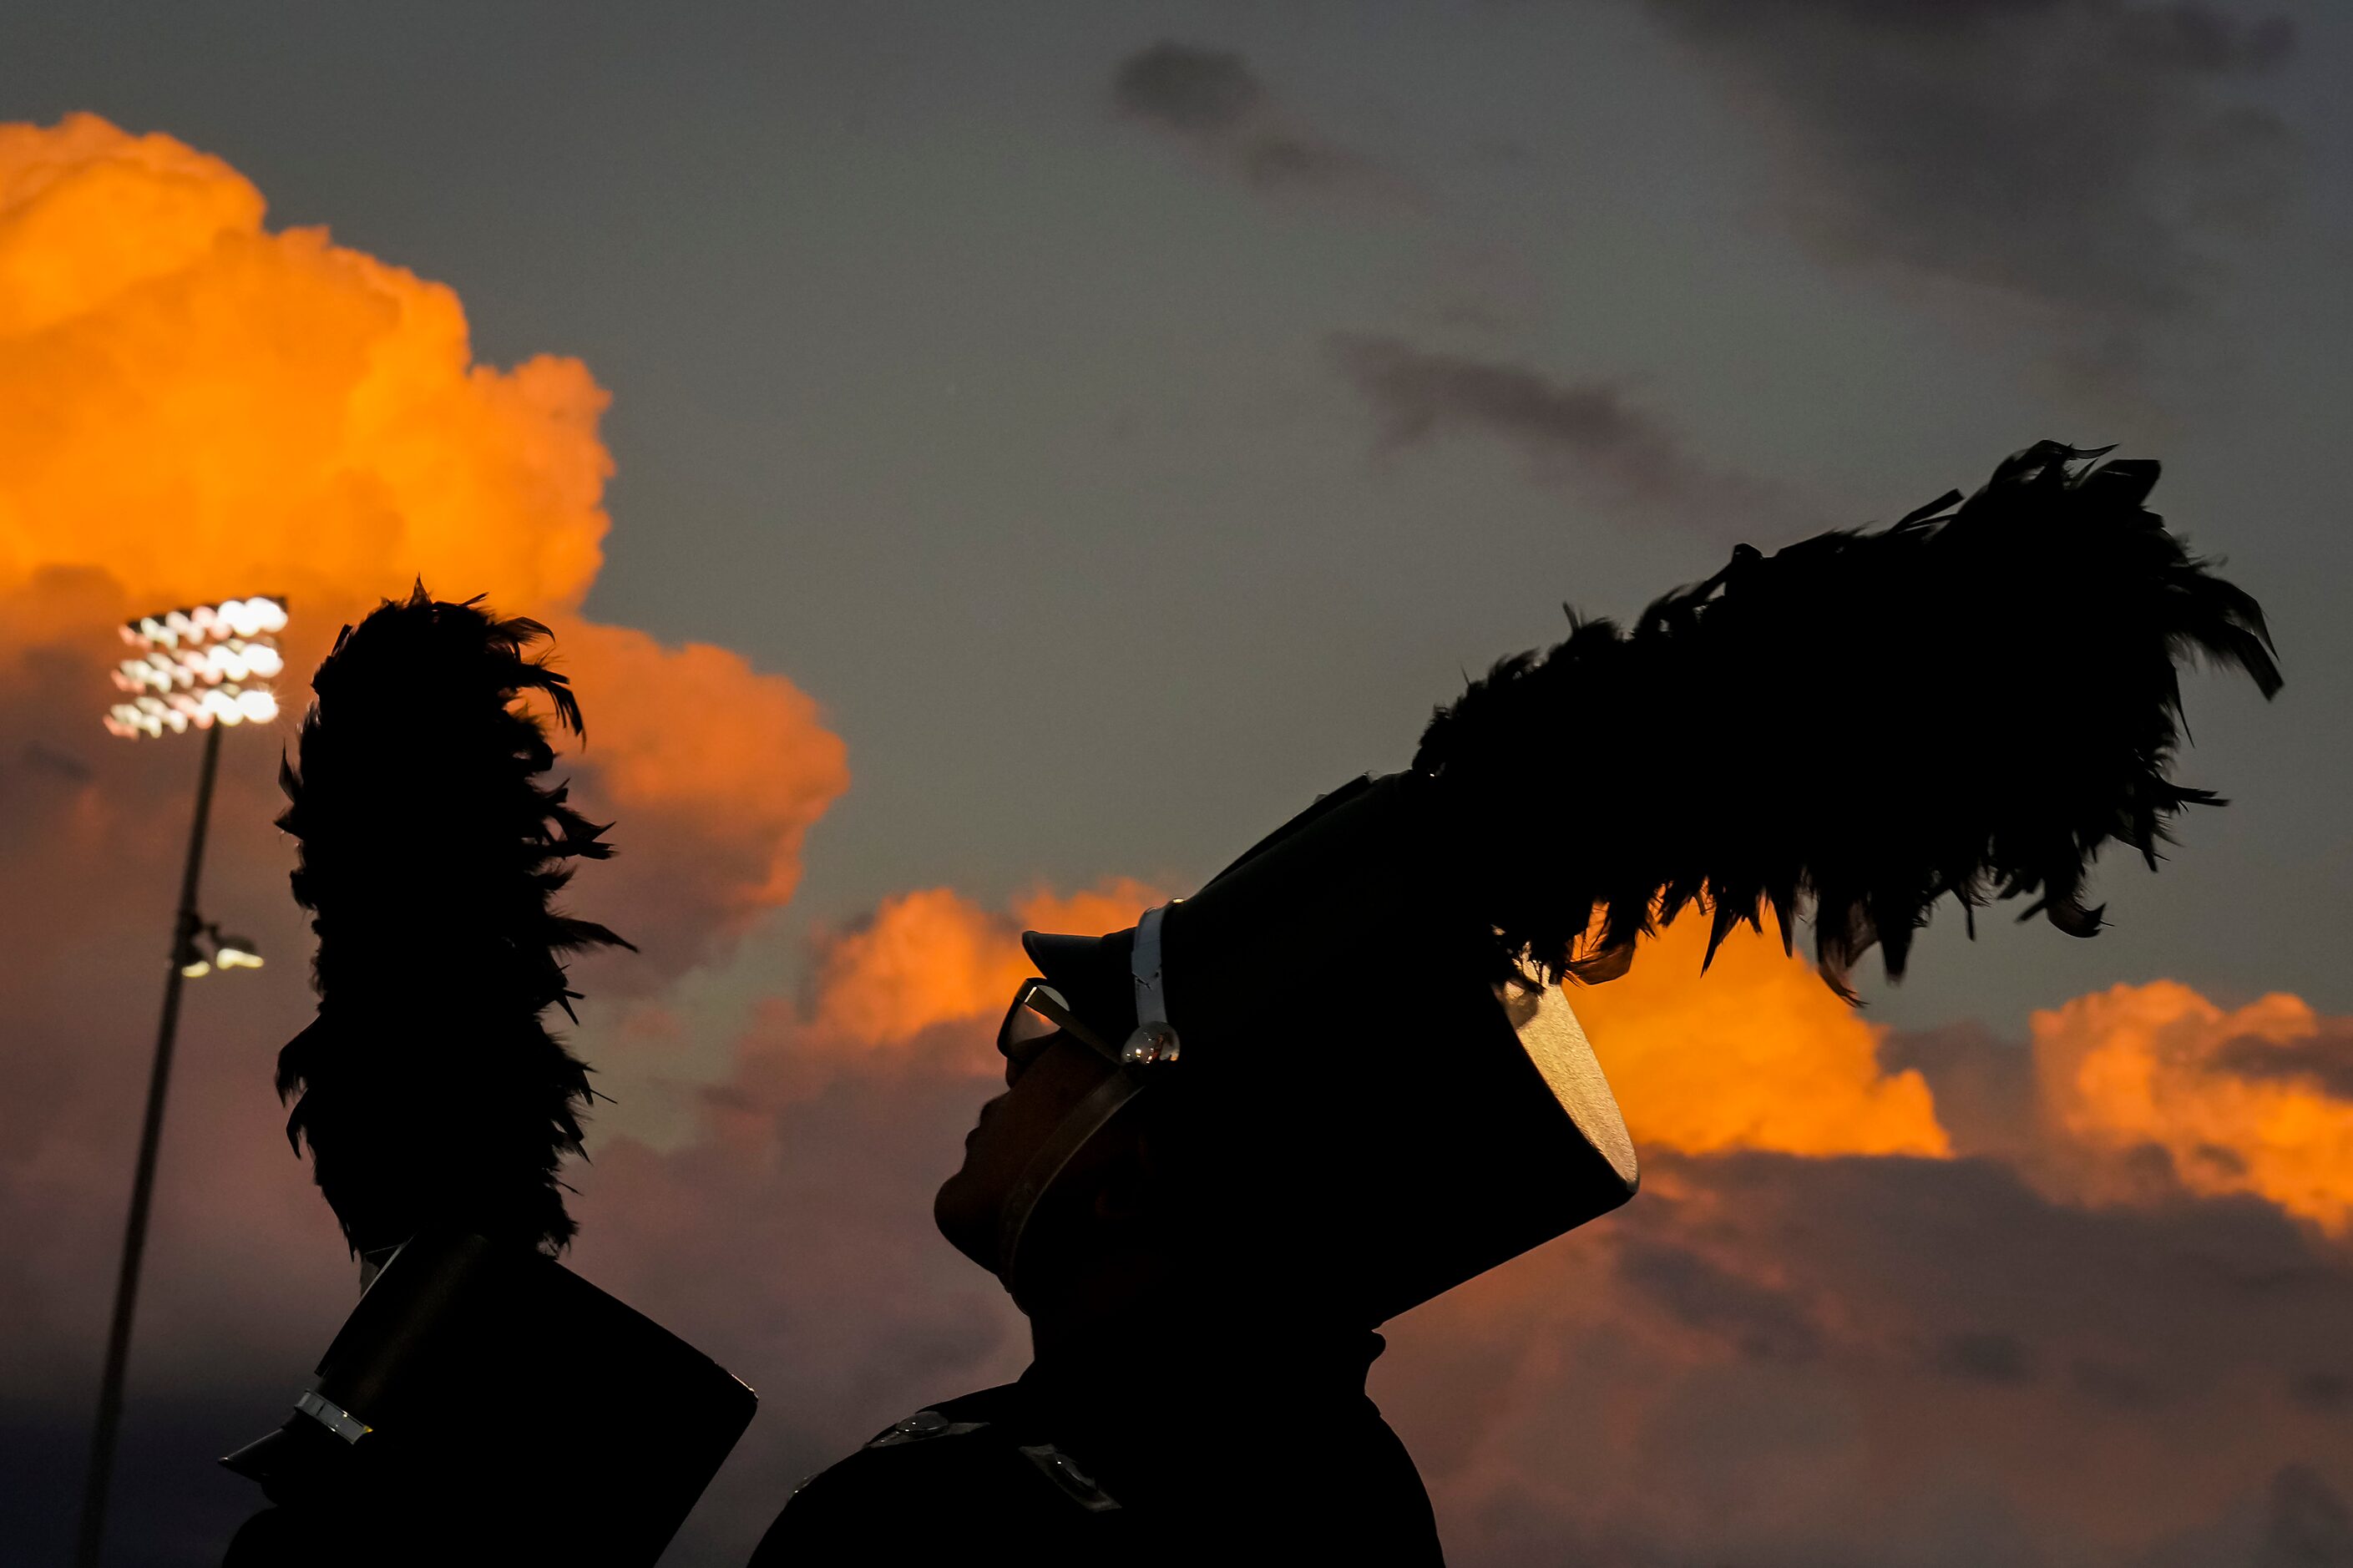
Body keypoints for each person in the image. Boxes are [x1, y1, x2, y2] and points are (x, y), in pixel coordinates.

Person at [751, 443, 2280, 1565]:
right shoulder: (1324, 1496)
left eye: (1052, 1034)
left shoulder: (996, 1520)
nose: (1005, 1054)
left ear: (1135, 1167)